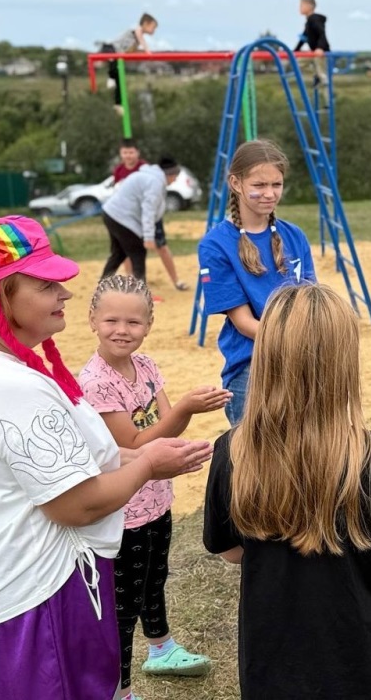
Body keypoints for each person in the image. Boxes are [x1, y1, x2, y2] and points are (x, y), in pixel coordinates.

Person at [0, 216, 211, 699]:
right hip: (38, 601)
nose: (66, 293)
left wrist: (130, 454)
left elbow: (45, 461)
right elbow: (75, 504)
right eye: (46, 285)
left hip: (4, 588)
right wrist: (147, 465)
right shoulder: (10, 387)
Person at [203, 283, 371, 698]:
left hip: (274, 677)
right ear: (345, 361)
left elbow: (232, 551)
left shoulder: (232, 452)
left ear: (266, 356)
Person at [79, 275, 232, 700]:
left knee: (154, 579)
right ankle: (121, 691)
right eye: (111, 320)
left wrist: (182, 418)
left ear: (149, 325)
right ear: (92, 320)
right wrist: (186, 406)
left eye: (133, 321)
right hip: (123, 509)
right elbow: (134, 444)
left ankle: (161, 648)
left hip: (156, 498)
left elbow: (165, 428)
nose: (121, 330)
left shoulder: (145, 366)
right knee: (124, 606)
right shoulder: (96, 382)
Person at [198, 139, 316, 425]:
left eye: (276, 184)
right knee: (255, 451)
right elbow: (243, 322)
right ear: (235, 183)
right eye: (259, 185)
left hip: (301, 361)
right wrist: (292, 341)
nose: (269, 193)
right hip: (252, 368)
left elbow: (312, 303)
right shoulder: (216, 244)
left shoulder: (295, 236)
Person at [113, 139, 190, 291]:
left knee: (161, 246)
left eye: (131, 152)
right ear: (121, 154)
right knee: (127, 250)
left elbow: (152, 200)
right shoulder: (119, 170)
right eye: (125, 152)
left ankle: (176, 280)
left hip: (150, 214)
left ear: (137, 153)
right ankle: (132, 283)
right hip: (131, 216)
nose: (128, 155)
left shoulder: (145, 168)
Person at [101, 157, 181, 281]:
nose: (175, 180)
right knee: (138, 253)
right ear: (170, 174)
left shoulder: (148, 176)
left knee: (119, 254)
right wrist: (148, 237)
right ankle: (139, 291)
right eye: (175, 176)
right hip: (122, 218)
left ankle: (103, 286)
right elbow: (148, 210)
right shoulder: (155, 182)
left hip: (111, 214)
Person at [100, 13, 158, 114]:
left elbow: (130, 51)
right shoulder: (137, 30)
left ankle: (118, 104)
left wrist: (142, 54)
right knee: (114, 64)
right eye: (153, 27)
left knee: (119, 80)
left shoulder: (136, 41)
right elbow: (141, 40)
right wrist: (148, 52)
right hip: (109, 49)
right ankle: (111, 77)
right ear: (145, 24)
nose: (154, 30)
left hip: (116, 55)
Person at [294, 0, 330, 86]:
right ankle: (316, 74)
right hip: (313, 52)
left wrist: (320, 48)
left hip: (321, 52)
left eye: (301, 5)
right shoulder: (308, 22)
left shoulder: (314, 19)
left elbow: (322, 33)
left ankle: (322, 81)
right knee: (297, 64)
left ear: (309, 6)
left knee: (322, 74)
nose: (299, 8)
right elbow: (303, 38)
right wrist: (295, 51)